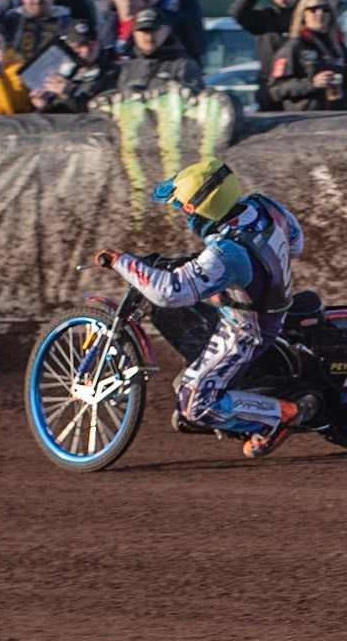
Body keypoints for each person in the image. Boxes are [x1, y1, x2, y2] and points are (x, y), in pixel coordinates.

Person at [93, 158, 311, 459]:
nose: (182, 212)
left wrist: (121, 261)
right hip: (269, 300)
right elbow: (296, 244)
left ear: (196, 210)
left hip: (247, 327)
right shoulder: (263, 204)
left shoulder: (225, 253)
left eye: (182, 206)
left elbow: (168, 292)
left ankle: (278, 415)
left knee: (193, 406)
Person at [229, 0, 302, 110]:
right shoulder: (265, 18)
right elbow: (237, 13)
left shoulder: (309, 14)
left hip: (301, 89)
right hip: (271, 90)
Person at [265, 0, 347, 111]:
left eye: (325, 9)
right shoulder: (294, 47)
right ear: (303, 14)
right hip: (306, 121)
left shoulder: (339, 47)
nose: (319, 13)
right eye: (313, 10)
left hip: (339, 119)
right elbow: (276, 89)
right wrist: (312, 83)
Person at [32, 21, 120, 112]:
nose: (85, 50)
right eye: (75, 46)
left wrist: (71, 95)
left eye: (89, 44)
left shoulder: (113, 74)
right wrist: (43, 106)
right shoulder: (58, 72)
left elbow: (101, 111)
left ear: (98, 44)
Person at [115, 8, 203, 94]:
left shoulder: (184, 64)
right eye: (144, 31)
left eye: (154, 30)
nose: (149, 37)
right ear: (134, 34)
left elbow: (196, 98)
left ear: (167, 31)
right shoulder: (128, 68)